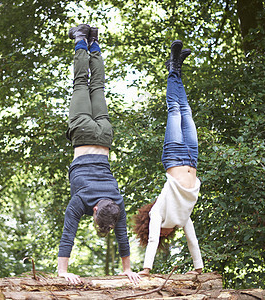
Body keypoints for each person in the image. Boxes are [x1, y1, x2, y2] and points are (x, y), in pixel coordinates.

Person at [57, 24, 140, 285]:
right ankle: (81, 38)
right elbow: (67, 234)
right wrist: (62, 271)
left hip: (104, 135)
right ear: (95, 211)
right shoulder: (81, 200)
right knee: (81, 82)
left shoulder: (117, 202)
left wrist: (128, 268)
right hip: (82, 132)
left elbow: (123, 237)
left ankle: (93, 41)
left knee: (98, 86)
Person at [133, 40, 203, 276]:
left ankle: (173, 67)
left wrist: (146, 269)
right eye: (165, 236)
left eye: (159, 233)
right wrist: (198, 268)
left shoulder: (158, 213)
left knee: (174, 109)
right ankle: (177, 69)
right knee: (186, 110)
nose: (162, 234)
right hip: (192, 158)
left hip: (173, 157)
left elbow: (152, 241)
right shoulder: (183, 218)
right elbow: (192, 241)